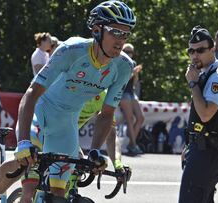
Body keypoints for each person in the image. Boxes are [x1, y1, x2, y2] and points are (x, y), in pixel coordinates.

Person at [15, 0, 135, 200]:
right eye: (115, 31)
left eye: (126, 34)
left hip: (66, 124)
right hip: (41, 112)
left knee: (59, 193)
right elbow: (31, 94)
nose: (121, 40)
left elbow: (106, 115)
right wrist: (23, 141)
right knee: (27, 187)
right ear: (97, 30)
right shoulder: (71, 50)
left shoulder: (124, 66)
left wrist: (95, 151)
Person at [179, 26, 218, 202]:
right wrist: (190, 145)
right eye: (191, 51)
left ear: (212, 49)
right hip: (201, 149)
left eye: (200, 50)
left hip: (209, 152)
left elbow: (205, 115)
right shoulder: (205, 74)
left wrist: (193, 84)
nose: (195, 55)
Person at [120, 43, 144, 155]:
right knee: (130, 119)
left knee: (140, 118)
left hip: (131, 92)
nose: (129, 54)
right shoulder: (120, 61)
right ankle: (133, 145)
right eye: (126, 51)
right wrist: (132, 73)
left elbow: (134, 83)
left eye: (131, 52)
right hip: (122, 92)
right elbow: (121, 82)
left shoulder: (133, 63)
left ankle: (131, 143)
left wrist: (136, 75)